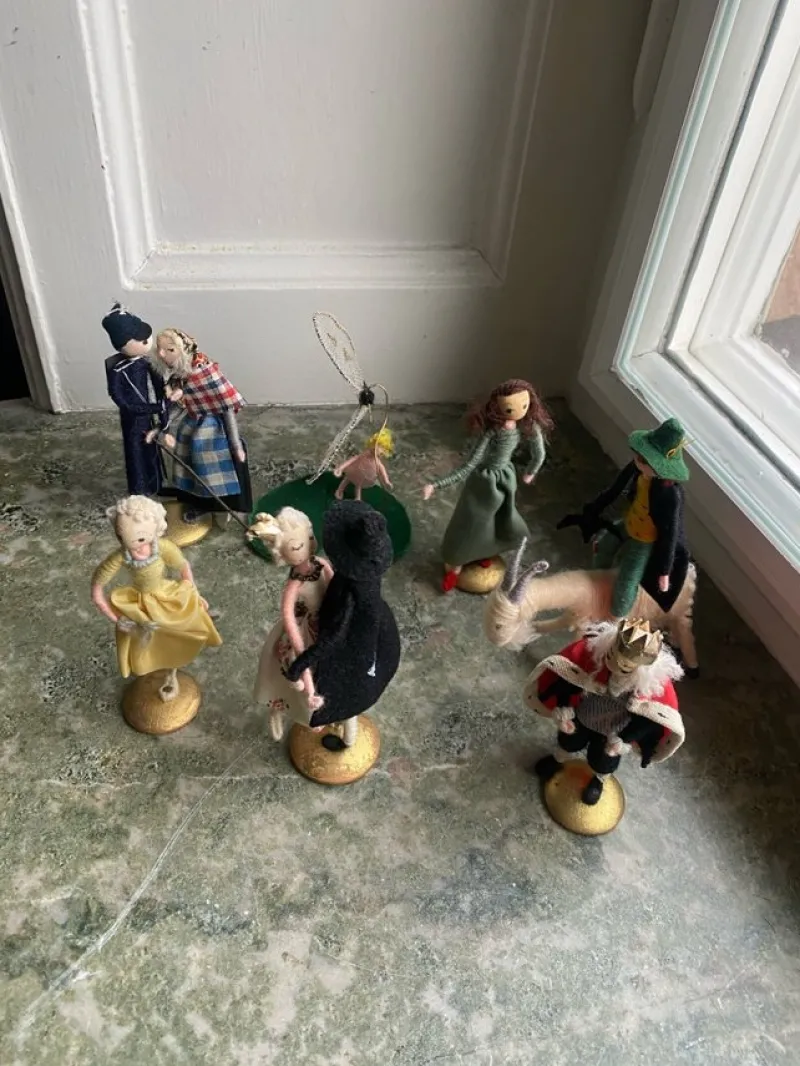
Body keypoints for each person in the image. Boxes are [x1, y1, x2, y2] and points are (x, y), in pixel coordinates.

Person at [102, 303, 169, 497]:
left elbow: (159, 382)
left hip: (150, 414)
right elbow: (119, 398)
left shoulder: (147, 362)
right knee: (136, 452)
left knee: (153, 449)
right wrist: (150, 408)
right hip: (133, 419)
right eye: (140, 339)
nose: (147, 342)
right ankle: (139, 489)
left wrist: (165, 395)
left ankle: (156, 483)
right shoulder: (117, 370)